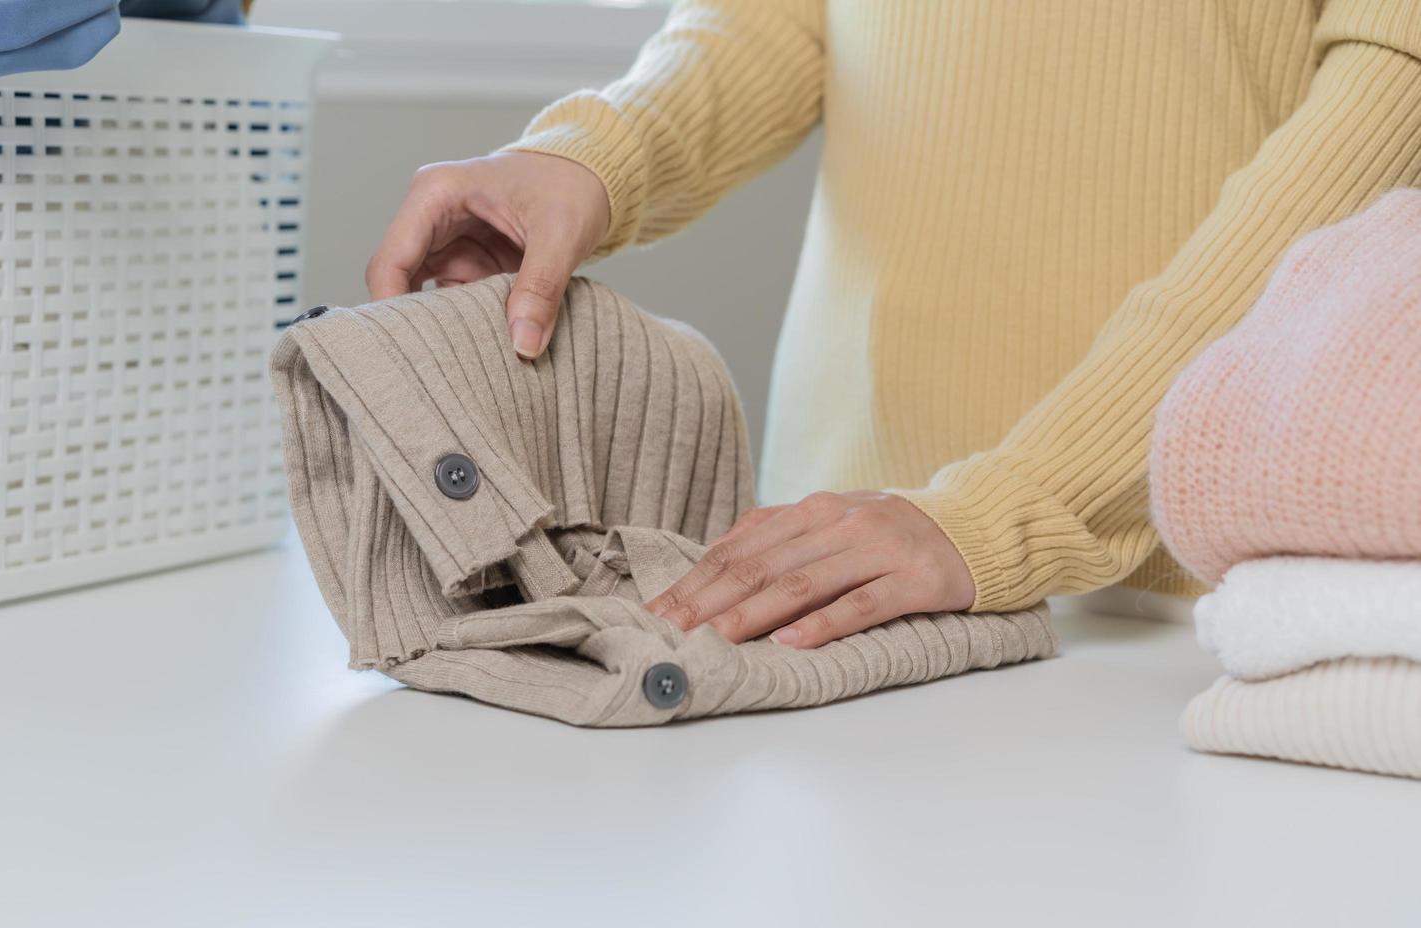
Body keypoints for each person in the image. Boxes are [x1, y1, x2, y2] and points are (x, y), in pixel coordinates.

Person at [366, 0, 1421, 649]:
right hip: (833, 571)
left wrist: (1015, 505)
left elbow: (1383, 107)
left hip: (1202, 611)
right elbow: (773, 19)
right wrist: (596, 157)